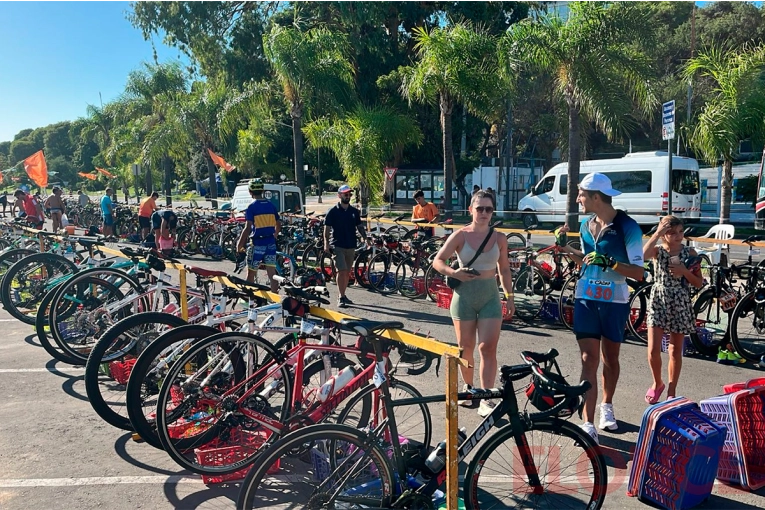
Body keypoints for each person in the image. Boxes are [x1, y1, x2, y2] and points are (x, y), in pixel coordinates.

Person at [557, 173, 645, 444]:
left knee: (610, 359)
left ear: (596, 197)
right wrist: (565, 248)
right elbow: (587, 260)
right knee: (588, 360)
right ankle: (587, 422)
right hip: (586, 299)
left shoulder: (628, 226)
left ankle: (607, 405)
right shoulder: (585, 225)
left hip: (614, 302)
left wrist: (611, 263)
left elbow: (639, 273)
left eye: (581, 194)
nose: (577, 199)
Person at [431, 190, 515, 417]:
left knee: (487, 347)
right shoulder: (460, 235)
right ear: (471, 210)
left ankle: (487, 396)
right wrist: (453, 272)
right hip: (464, 297)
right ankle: (470, 389)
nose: (484, 213)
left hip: (490, 296)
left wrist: (509, 296)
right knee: (465, 347)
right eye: (480, 209)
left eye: (489, 209)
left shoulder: (499, 238)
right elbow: (438, 260)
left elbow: (504, 268)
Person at [643, 215, 702, 403]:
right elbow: (641, 255)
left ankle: (671, 389)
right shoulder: (658, 251)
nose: (677, 236)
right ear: (663, 235)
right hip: (659, 299)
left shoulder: (690, 253)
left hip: (680, 299)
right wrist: (657, 233)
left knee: (675, 349)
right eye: (671, 232)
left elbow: (699, 283)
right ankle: (657, 383)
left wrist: (684, 271)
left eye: (680, 232)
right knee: (652, 349)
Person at [323, 184, 366, 308]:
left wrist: (365, 238)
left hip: (351, 245)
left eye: (349, 194)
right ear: (339, 195)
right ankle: (341, 297)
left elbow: (359, 226)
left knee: (347, 272)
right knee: (341, 271)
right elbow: (326, 228)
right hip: (337, 245)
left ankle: (343, 294)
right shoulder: (333, 211)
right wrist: (326, 243)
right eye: (345, 194)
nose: (348, 196)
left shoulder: (353, 212)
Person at [236, 180, 280, 292]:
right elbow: (278, 224)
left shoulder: (251, 207)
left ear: (250, 192)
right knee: (272, 273)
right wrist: (274, 235)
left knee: (251, 273)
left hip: (257, 244)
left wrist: (239, 244)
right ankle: (275, 300)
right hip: (270, 243)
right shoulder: (271, 205)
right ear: (263, 191)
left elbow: (247, 228)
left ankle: (248, 299)